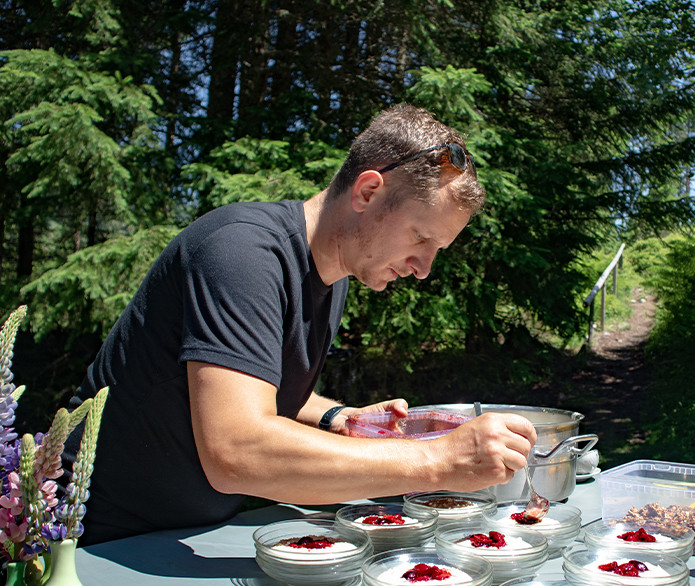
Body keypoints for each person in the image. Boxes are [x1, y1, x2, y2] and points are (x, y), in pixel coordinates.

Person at [61, 104, 536, 545]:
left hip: (192, 535)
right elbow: (238, 450)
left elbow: (250, 382)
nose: (424, 267)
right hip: (96, 542)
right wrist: (439, 460)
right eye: (420, 237)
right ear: (368, 192)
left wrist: (337, 417)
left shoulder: (334, 277)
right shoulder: (242, 252)